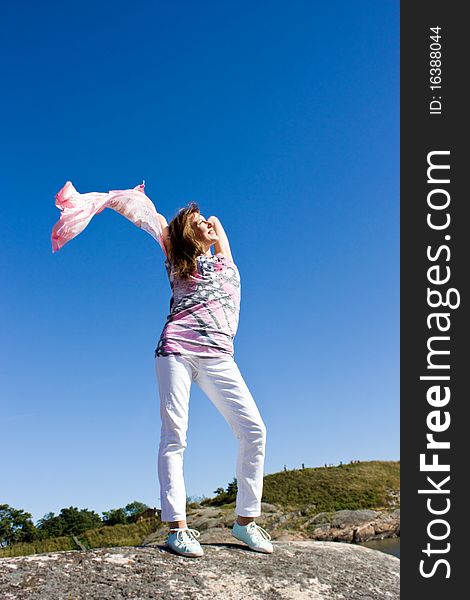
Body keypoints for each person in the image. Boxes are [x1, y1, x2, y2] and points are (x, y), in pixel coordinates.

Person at [154, 202, 273, 558]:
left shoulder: (226, 262)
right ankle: (178, 528)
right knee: (175, 436)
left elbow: (219, 225)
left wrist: (201, 221)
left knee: (254, 431)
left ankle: (246, 521)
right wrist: (112, 200)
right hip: (176, 349)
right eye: (198, 223)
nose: (209, 224)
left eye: (207, 221)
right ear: (186, 235)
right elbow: (161, 226)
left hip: (219, 355)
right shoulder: (178, 261)